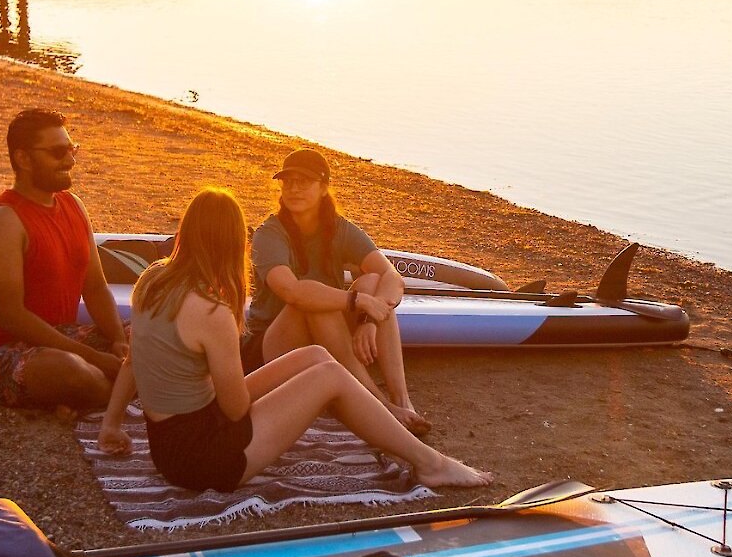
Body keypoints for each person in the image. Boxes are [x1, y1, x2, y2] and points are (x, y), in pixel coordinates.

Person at [98, 189, 489, 492]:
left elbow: (135, 359)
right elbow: (234, 410)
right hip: (206, 462)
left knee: (317, 357)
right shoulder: (211, 311)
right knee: (328, 378)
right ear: (234, 243)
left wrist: (112, 424)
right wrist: (296, 396)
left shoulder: (151, 280)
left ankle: (387, 422)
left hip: (169, 447)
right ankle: (430, 464)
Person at [243, 149, 429, 434]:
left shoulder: (339, 229)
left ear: (324, 188)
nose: (293, 189)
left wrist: (370, 318)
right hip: (271, 346)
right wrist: (357, 300)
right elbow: (293, 292)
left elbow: (392, 276)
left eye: (303, 182)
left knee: (371, 282)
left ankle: (402, 399)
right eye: (288, 181)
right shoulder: (269, 234)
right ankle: (378, 406)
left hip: (322, 337)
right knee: (316, 301)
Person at [0, 109, 127, 411]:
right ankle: (125, 390)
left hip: (61, 335)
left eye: (72, 149)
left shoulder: (73, 205)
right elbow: (12, 317)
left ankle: (110, 389)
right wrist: (94, 358)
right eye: (58, 152)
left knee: (153, 331)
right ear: (23, 159)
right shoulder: (3, 220)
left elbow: (95, 287)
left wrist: (117, 340)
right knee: (68, 369)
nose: (71, 160)